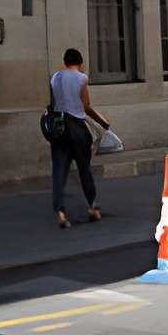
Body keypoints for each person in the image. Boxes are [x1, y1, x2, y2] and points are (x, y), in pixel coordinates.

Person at [48, 47, 108, 229]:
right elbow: (86, 106)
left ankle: (60, 211)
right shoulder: (82, 78)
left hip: (59, 128)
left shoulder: (54, 78)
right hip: (77, 127)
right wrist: (103, 122)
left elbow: (53, 105)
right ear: (80, 63)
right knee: (84, 168)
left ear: (65, 62)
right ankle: (92, 206)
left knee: (59, 170)